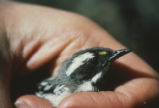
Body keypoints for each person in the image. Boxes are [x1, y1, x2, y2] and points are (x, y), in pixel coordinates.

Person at [0, 1, 159, 108]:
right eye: (97, 62)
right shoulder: (62, 90)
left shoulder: (98, 89)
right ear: (83, 71)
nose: (106, 62)